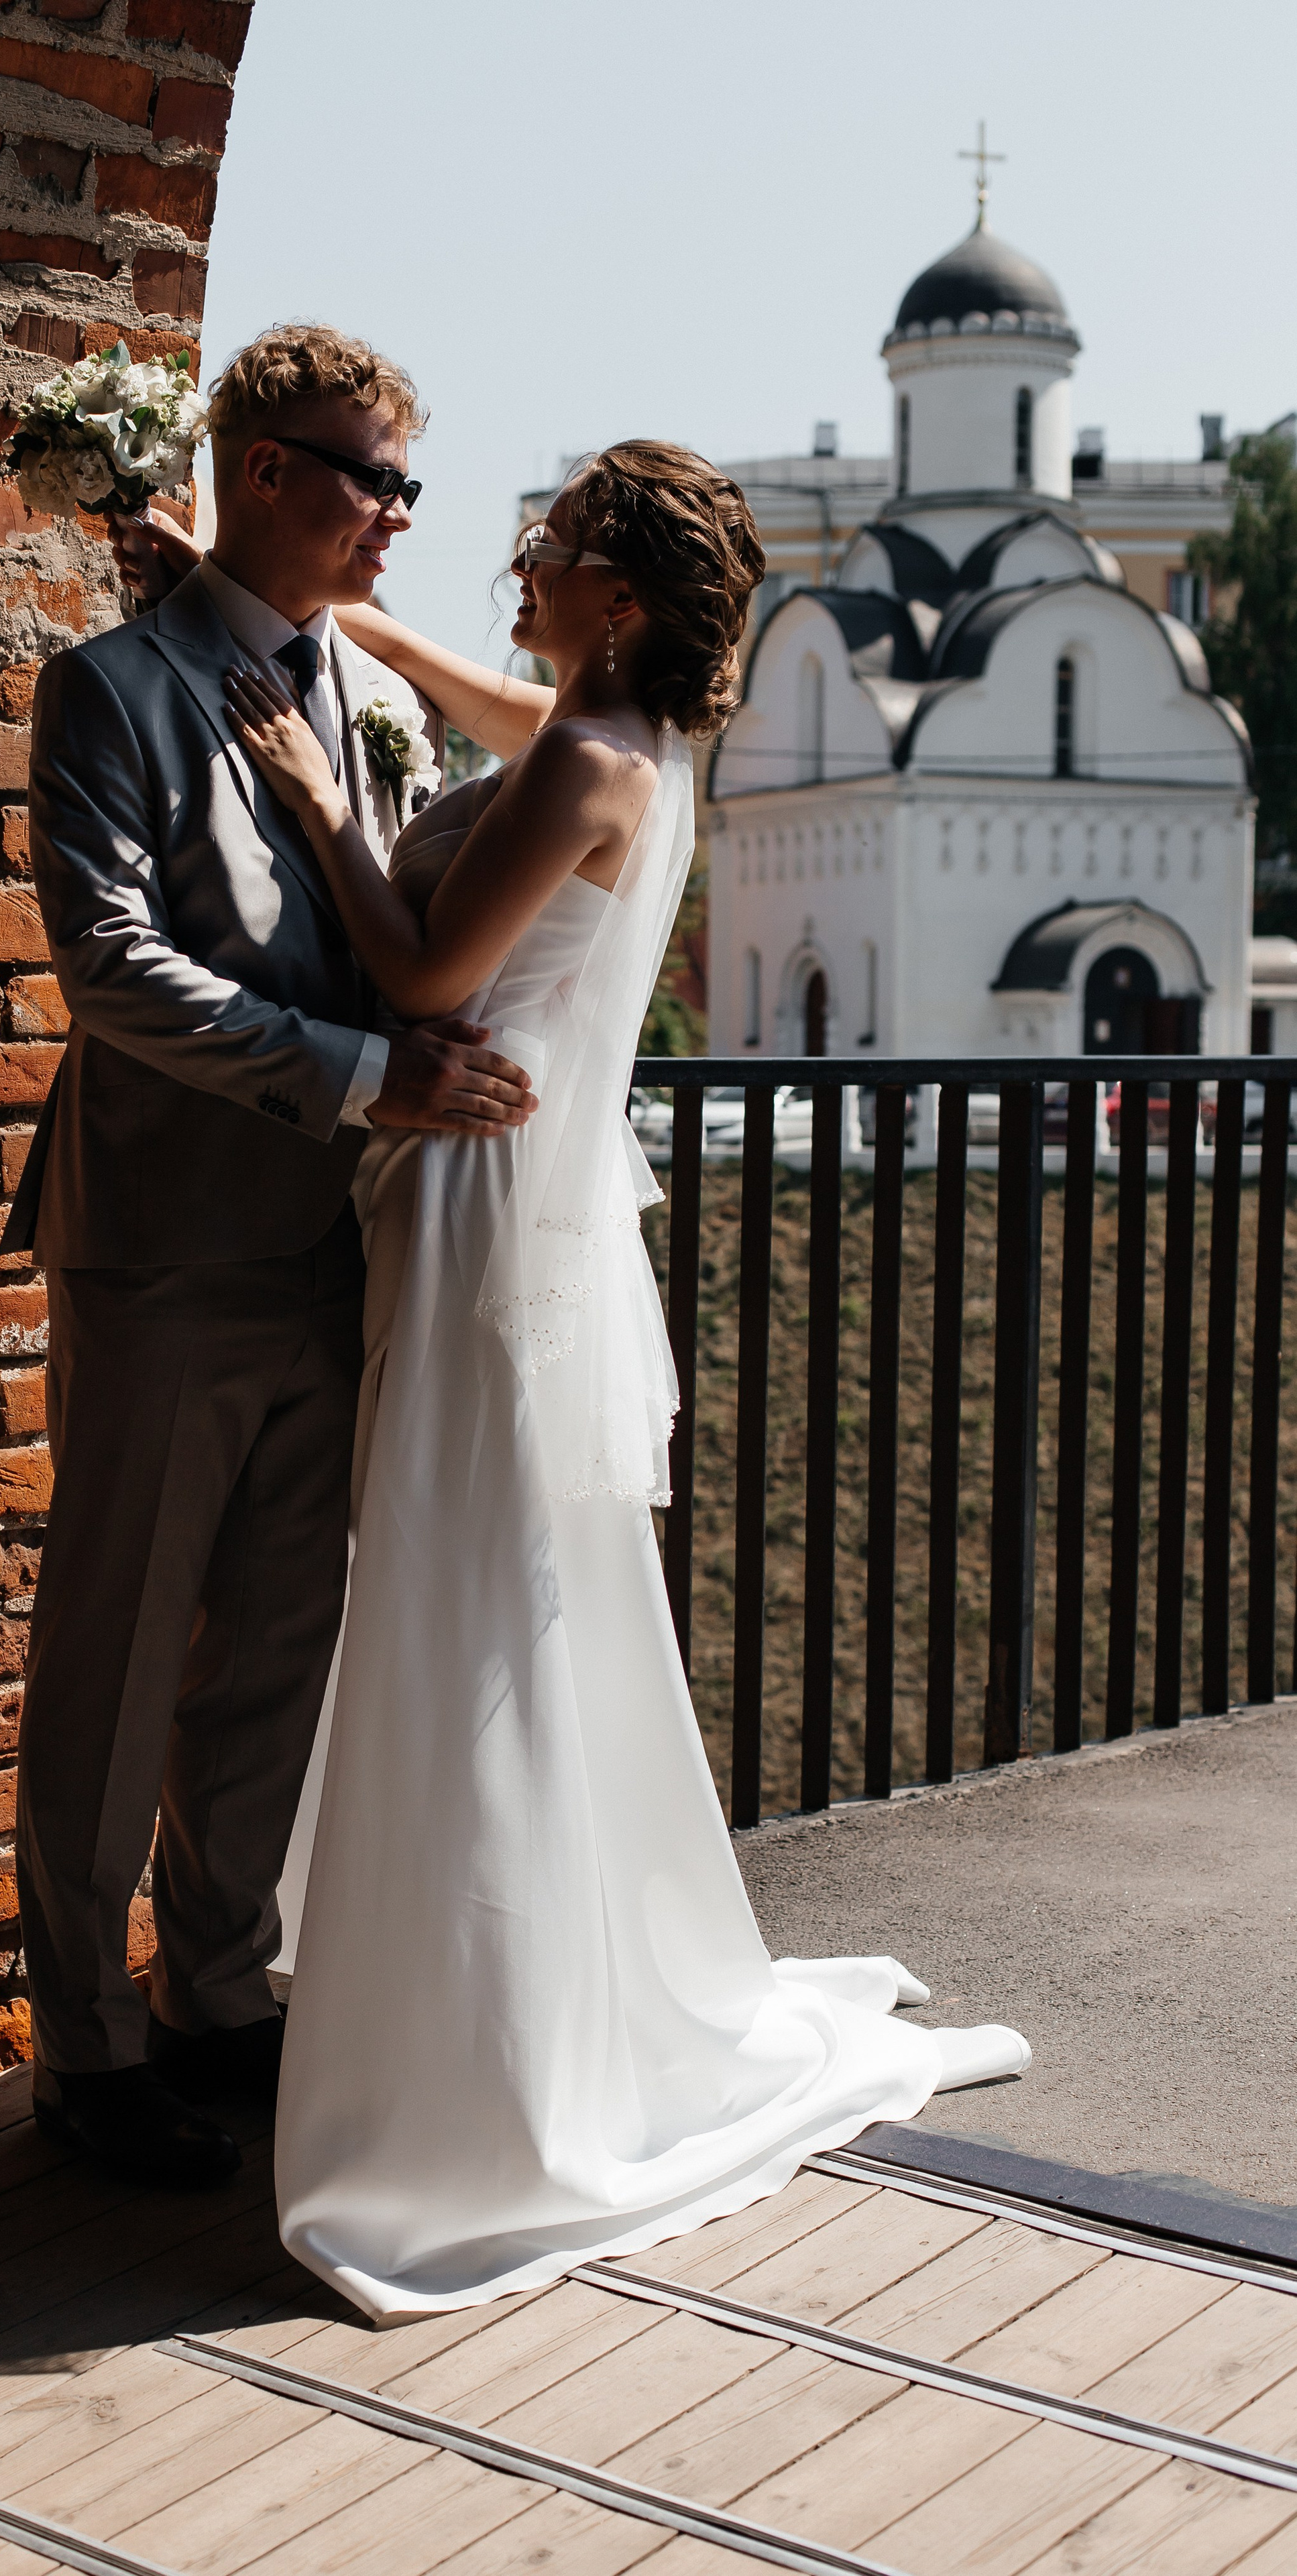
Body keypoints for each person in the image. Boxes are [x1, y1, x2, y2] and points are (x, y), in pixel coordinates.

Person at [221, 441, 1031, 2321]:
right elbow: (501, 703)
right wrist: (346, 614)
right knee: (508, 1594)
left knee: (456, 1583)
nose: (529, 559)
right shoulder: (633, 750)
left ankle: (483, 2077)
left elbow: (425, 970)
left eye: (562, 547)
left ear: (630, 599)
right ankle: (526, 2007)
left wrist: (319, 795)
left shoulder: (589, 764)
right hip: (522, 1212)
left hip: (482, 1196)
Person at [2, 324, 537, 2192]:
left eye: (408, 480)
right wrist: (372, 1075)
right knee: (121, 1647)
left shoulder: (353, 698)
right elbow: (110, 969)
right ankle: (82, 2046)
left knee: (272, 1653)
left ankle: (219, 1991)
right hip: (161, 1252)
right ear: (259, 469)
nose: (399, 512)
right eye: (366, 473)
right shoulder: (112, 691)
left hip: (338, 1256)